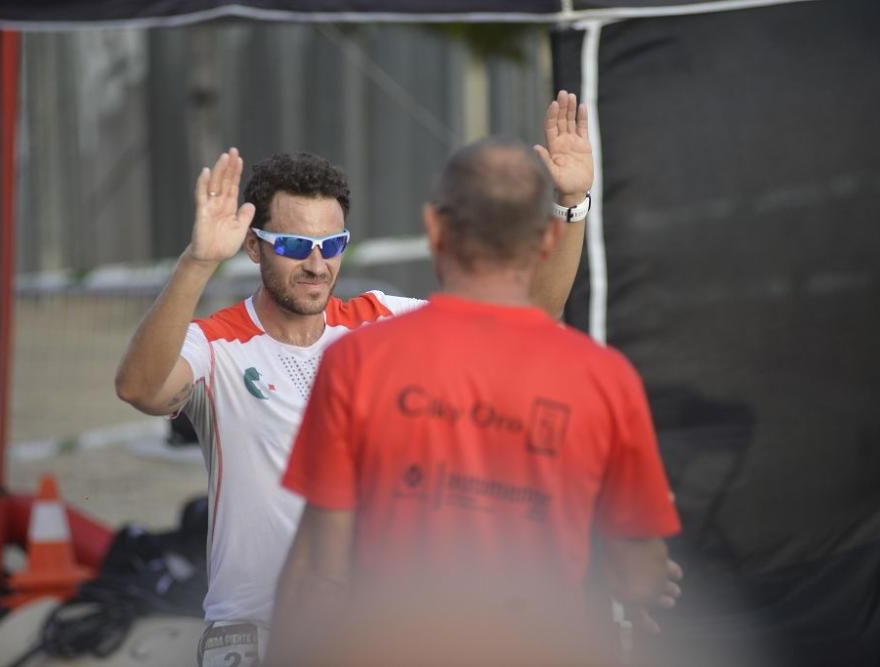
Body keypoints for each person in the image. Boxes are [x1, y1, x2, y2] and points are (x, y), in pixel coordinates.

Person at [114, 90, 595, 665]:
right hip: (255, 635)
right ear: (251, 246)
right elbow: (139, 388)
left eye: (331, 244)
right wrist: (197, 262)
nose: (317, 265)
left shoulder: (382, 319)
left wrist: (570, 204)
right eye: (294, 245)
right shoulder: (216, 341)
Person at [269, 138, 682, 666]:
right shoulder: (606, 378)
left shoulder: (357, 362)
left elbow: (320, 572)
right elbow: (638, 573)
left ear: (435, 229)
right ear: (548, 238)